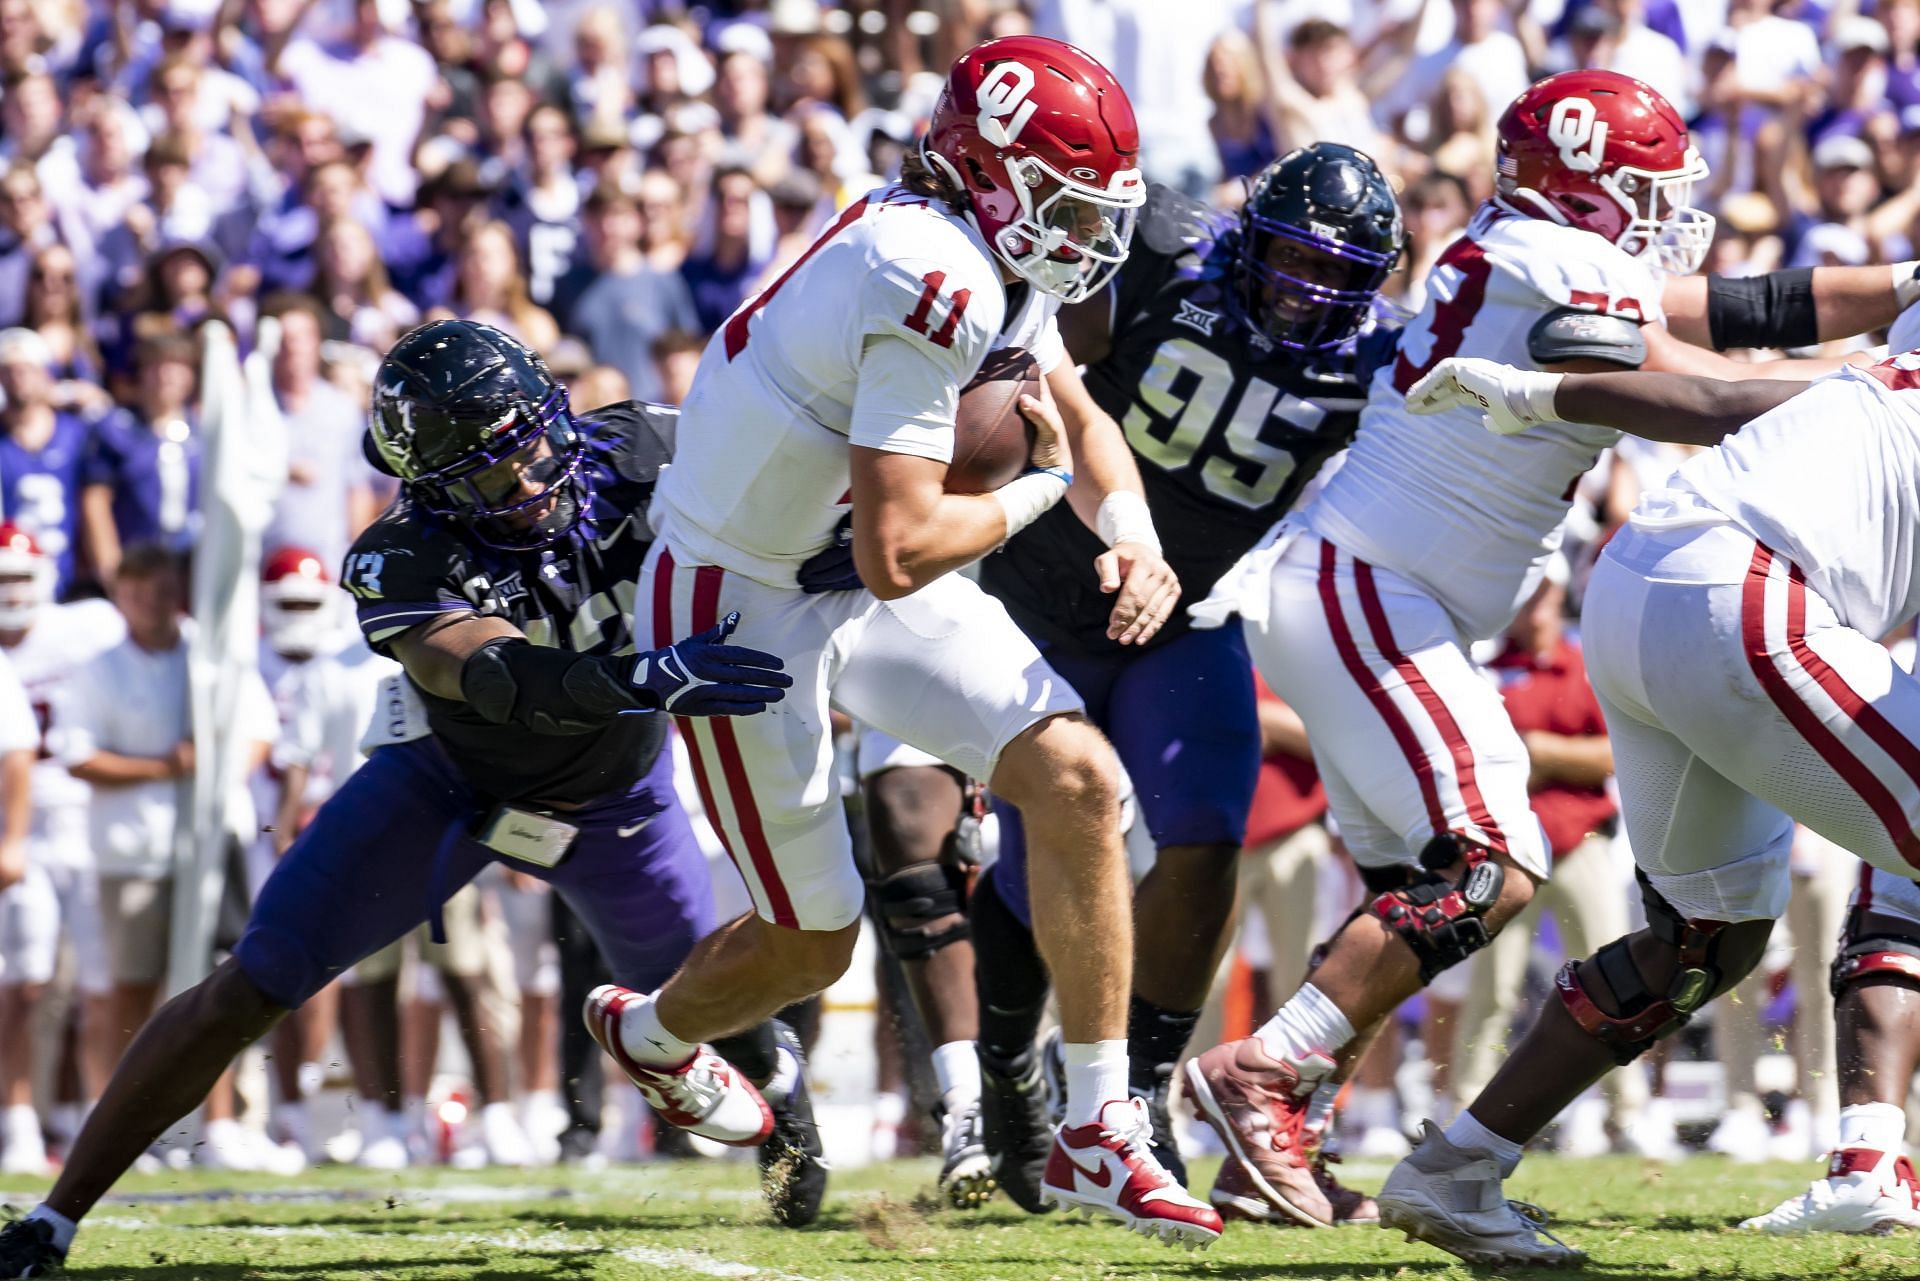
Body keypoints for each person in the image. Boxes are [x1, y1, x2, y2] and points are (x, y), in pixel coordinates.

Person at [1179, 69, 1920, 1230]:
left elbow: (1741, 307)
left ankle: (1311, 1148)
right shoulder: (1556, 261)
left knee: (1434, 905)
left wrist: (1899, 295)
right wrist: (1871, 376)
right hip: (1381, 584)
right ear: (1589, 190)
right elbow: (1721, 384)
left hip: (1406, 586)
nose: (1666, 210)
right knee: (1490, 864)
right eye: (1644, 189)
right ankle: (1262, 1074)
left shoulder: (1544, 252)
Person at [0, 320, 801, 1277]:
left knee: (709, 999)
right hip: (446, 787)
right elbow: (492, 672)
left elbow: (788, 475)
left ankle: (789, 1110)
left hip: (615, 799)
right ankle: (55, 1215)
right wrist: (637, 677)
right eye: (491, 474)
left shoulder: (643, 442)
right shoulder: (401, 552)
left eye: (535, 445)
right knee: (257, 976)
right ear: (433, 485)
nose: (531, 478)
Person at [606, 35, 1219, 1246]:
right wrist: (1045, 494)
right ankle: (651, 1030)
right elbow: (905, 544)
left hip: (849, 576)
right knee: (814, 944)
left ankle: (1100, 1131)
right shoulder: (925, 269)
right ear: (988, 175)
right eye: (1063, 200)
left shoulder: (990, 250)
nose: (1085, 234)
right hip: (741, 607)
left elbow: (1083, 426)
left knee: (1079, 778)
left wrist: (1136, 536)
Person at [884, 143, 1399, 1217]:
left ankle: (1147, 1091)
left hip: (1186, 613)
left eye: (1335, 278)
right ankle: (1014, 1077)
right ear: (1248, 234)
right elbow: (1040, 365)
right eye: (1292, 263)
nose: (1307, 298)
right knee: (1040, 875)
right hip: (1034, 597)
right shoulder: (1161, 255)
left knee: (1210, 835)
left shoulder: (1374, 358)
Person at [1372, 327, 1920, 1262]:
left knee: (1708, 935)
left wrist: (1539, 395)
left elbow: (1719, 401)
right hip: (1745, 595)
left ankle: (1458, 1165)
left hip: (1635, 588)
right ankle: (1872, 1157)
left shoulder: (1877, 379)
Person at [0, 526, 123, 1174]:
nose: (10, 594)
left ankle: (97, 1119)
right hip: (15, 832)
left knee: (100, 988)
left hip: (87, 819)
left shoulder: (87, 625)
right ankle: (19, 1118)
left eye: (20, 578)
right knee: (22, 985)